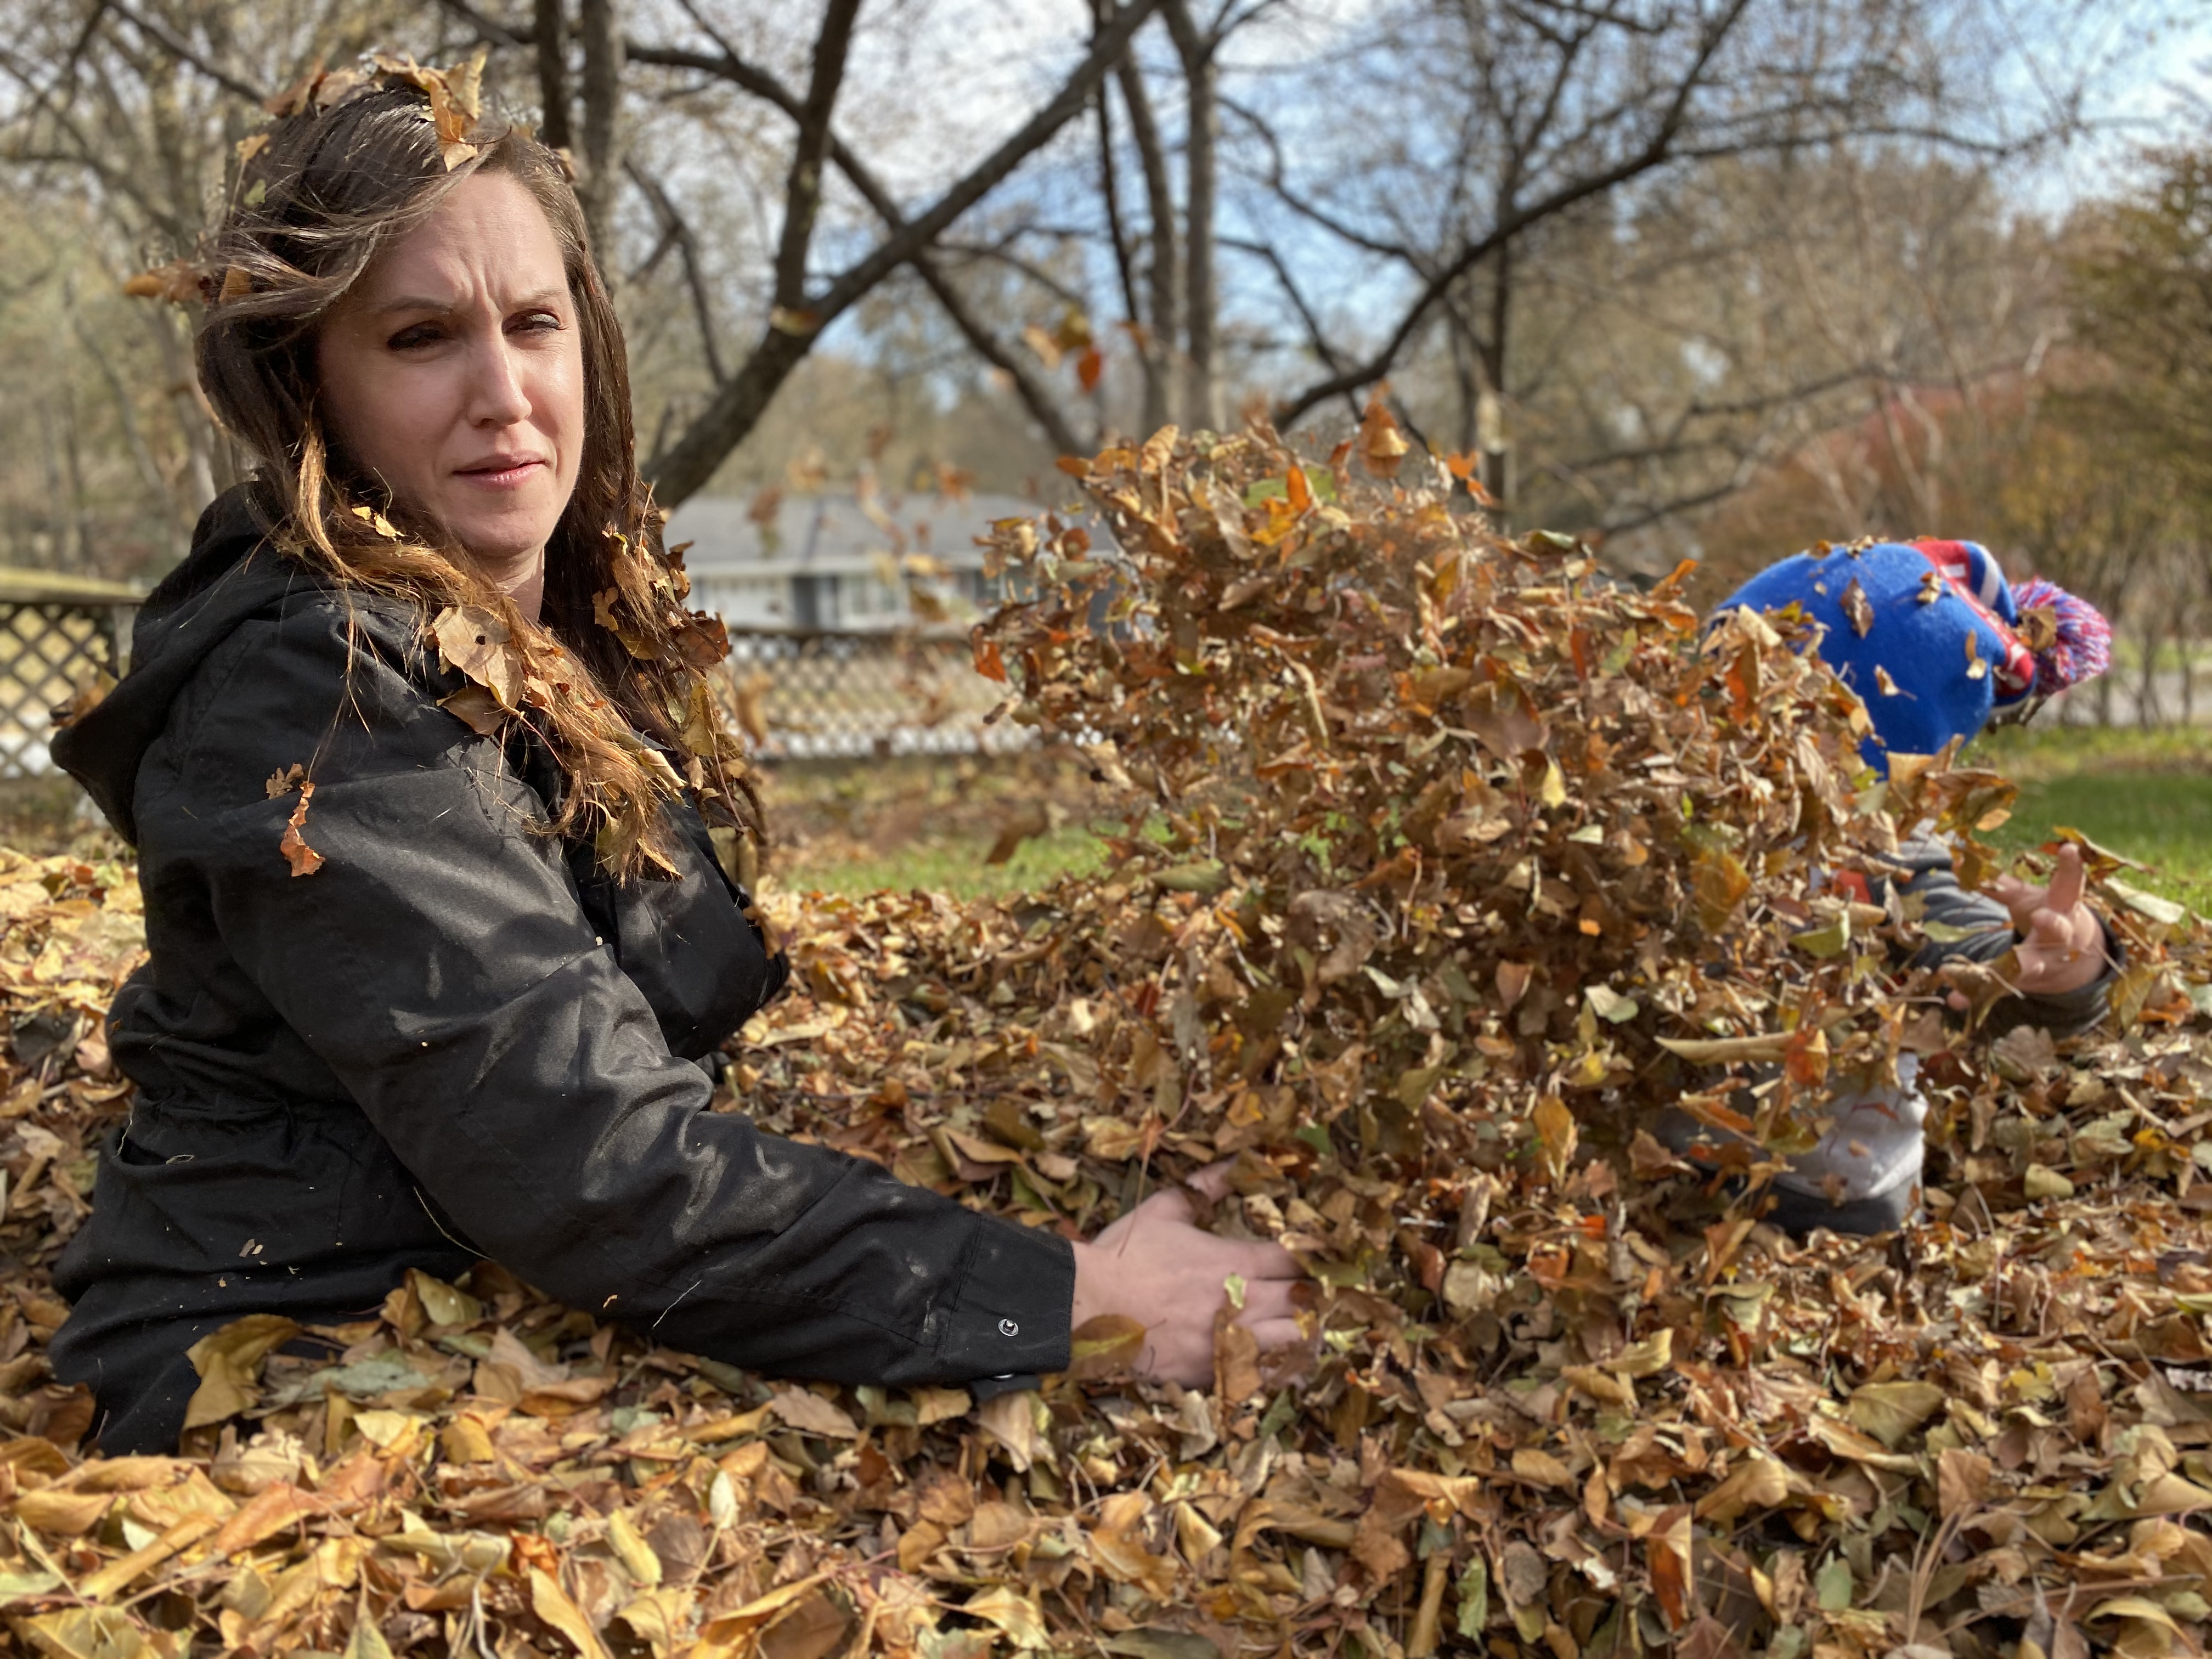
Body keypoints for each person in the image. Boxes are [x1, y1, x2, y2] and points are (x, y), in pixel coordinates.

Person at [49, 61, 1302, 1455]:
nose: (504, 393)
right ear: (313, 388)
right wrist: (1075, 1295)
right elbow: (596, 1164)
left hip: (491, 1301)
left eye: (534, 322)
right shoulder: (319, 690)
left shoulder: (556, 634)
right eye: (420, 338)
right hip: (289, 1371)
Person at [1686, 537, 2120, 1234]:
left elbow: (1971, 957)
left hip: (1826, 1203)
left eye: (1781, 726)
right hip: (1654, 1169)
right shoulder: (1654, 819)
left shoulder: (1892, 864)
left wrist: (2069, 960)